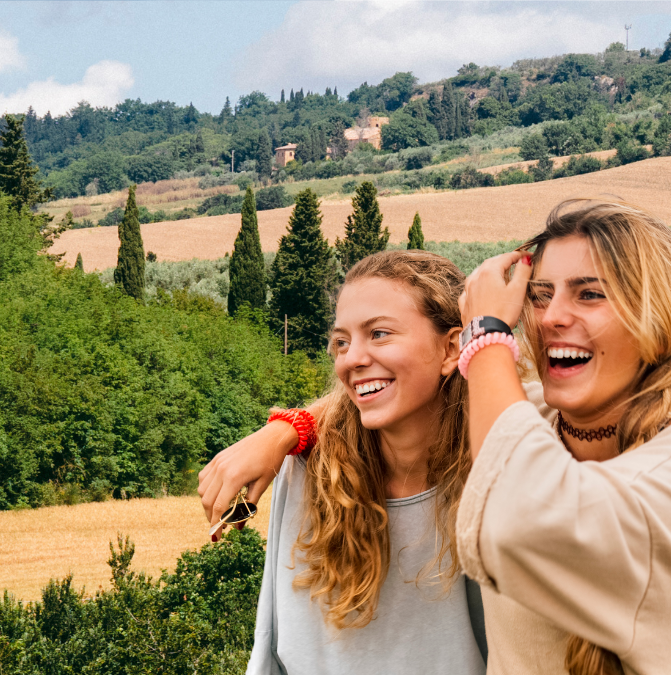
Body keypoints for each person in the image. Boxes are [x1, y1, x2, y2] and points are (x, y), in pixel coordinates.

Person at [455, 199, 671, 675]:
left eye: (589, 294)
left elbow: (521, 519)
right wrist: (298, 425)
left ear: (654, 321)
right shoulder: (526, 417)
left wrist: (487, 337)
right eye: (539, 296)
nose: (549, 317)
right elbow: (399, 380)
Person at [198, 250, 486, 675]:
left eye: (380, 334)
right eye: (341, 342)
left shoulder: (498, 471)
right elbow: (273, 646)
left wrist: (286, 428)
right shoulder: (308, 472)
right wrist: (285, 429)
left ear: (450, 348)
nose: (351, 359)